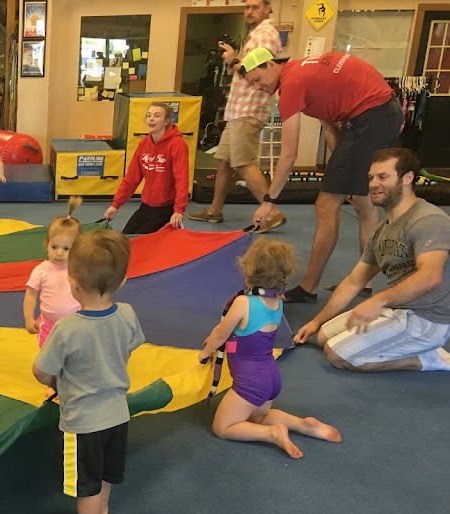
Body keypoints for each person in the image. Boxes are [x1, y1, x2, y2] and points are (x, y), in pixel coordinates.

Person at [238, 48, 402, 302]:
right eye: (251, 86)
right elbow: (330, 127)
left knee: (326, 203)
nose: (258, 87)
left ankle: (308, 288)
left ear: (270, 64)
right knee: (362, 201)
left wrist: (269, 202)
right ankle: (365, 281)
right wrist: (345, 172)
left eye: (257, 80)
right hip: (384, 112)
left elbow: (289, 154)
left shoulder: (291, 85)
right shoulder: (305, 71)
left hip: (371, 116)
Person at [32, 230, 145, 514]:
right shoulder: (127, 314)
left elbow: (41, 371)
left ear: (73, 284)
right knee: (108, 471)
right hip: (118, 414)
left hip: (84, 422)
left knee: (86, 481)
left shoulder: (67, 329)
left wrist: (57, 380)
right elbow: (128, 349)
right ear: (121, 282)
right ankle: (103, 512)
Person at [293, 148, 450, 372]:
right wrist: (316, 322)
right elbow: (353, 282)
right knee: (322, 337)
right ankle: (398, 340)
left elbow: (430, 277)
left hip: (427, 320)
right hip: (398, 309)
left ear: (407, 178)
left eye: (383, 177)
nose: (373, 184)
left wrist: (377, 301)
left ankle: (429, 359)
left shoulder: (428, 220)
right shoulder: (381, 231)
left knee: (337, 355)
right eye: (371, 178)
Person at [198, 238, 342, 458]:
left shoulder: (243, 303)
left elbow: (220, 333)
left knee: (222, 427)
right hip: (271, 378)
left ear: (249, 272)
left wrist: (206, 352)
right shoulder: (277, 301)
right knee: (257, 416)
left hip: (251, 383)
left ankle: (272, 434)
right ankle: (302, 424)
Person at [188, 0, 285, 232]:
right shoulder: (254, 35)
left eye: (255, 7)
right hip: (238, 109)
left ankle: (272, 212)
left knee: (243, 163)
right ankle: (214, 210)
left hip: (249, 109)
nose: (249, 12)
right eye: (247, 7)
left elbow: (256, 72)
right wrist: (234, 60)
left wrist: (233, 59)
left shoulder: (265, 35)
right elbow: (246, 69)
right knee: (224, 161)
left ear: (268, 8)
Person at [102, 103, 189, 234]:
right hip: (147, 206)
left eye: (157, 115)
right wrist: (115, 205)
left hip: (167, 208)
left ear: (166, 121)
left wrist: (178, 210)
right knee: (124, 239)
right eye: (148, 115)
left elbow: (182, 179)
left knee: (140, 243)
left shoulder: (177, 145)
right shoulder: (144, 144)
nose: (151, 119)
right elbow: (131, 178)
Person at [23, 196, 82, 347]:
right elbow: (31, 294)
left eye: (66, 249)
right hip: (48, 325)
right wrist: (29, 318)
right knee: (48, 356)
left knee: (75, 353)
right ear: (47, 244)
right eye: (54, 247)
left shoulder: (78, 268)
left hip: (77, 324)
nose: (59, 253)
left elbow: (90, 292)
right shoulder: (42, 270)